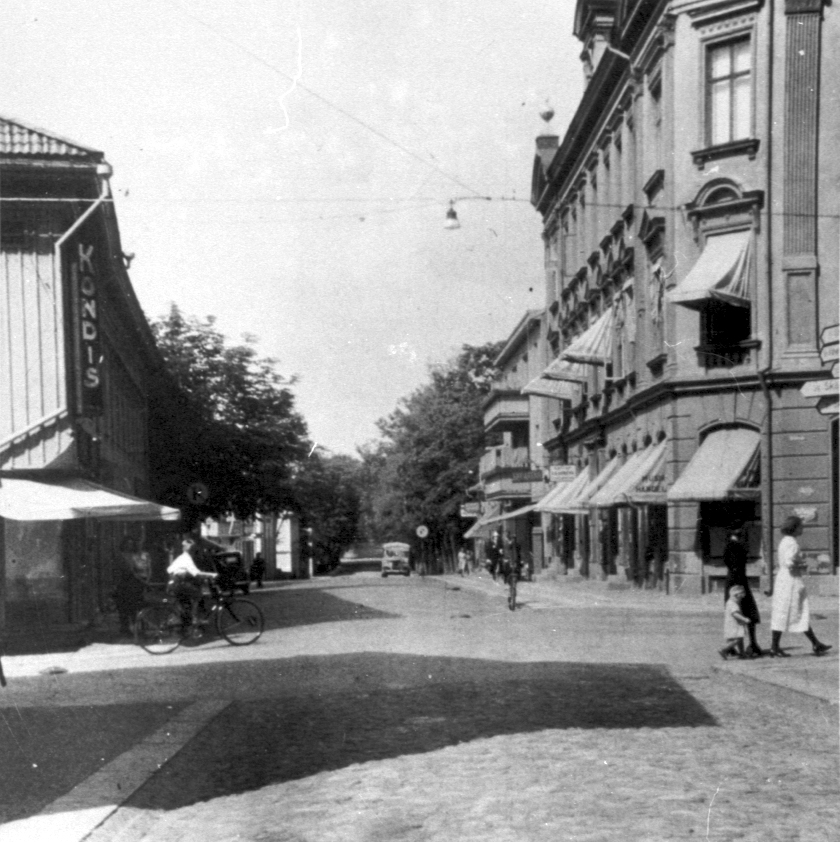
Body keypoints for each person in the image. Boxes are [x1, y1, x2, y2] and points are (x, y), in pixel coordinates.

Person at [769, 515, 832, 658]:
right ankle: (813, 644)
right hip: (791, 580)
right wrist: (804, 564)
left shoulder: (784, 541)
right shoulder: (792, 543)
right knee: (798, 610)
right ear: (795, 528)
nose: (802, 529)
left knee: (782, 611)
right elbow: (790, 563)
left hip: (783, 579)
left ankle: (814, 643)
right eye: (800, 526)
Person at [723, 527, 762, 657]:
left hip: (731, 582)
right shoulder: (737, 546)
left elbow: (729, 564)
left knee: (732, 614)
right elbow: (736, 567)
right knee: (749, 613)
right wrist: (740, 589)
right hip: (738, 583)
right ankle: (752, 644)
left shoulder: (728, 545)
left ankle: (731, 646)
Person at [166, 538, 217, 631]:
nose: (193, 550)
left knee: (186, 604)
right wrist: (211, 575)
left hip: (174, 584)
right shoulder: (186, 558)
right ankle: (194, 619)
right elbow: (196, 573)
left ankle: (185, 624)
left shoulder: (183, 557)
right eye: (192, 548)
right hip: (178, 584)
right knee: (198, 594)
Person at [113, 536, 148, 636]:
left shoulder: (134, 556)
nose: (129, 546)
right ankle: (125, 628)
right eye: (127, 544)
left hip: (134, 584)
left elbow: (139, 568)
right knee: (123, 607)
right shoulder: (120, 556)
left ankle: (136, 628)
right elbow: (123, 569)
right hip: (124, 583)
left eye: (131, 544)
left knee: (135, 607)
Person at [719, 584, 750, 660]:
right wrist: (744, 619)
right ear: (736, 595)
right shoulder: (732, 603)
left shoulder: (731, 602)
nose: (742, 597)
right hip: (734, 625)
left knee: (740, 638)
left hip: (733, 624)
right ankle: (723, 649)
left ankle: (742, 653)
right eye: (741, 594)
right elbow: (735, 614)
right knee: (737, 640)